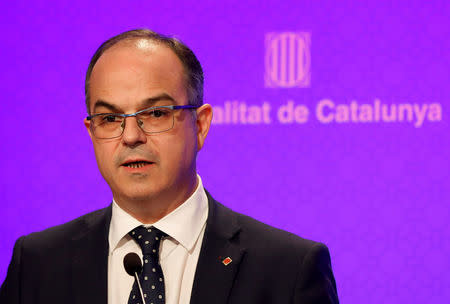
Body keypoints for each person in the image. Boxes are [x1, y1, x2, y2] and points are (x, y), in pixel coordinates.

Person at [0, 29, 339, 304]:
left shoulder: (288, 270)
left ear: (201, 125)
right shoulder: (37, 264)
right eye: (110, 118)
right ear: (91, 132)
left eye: (156, 114)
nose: (131, 136)